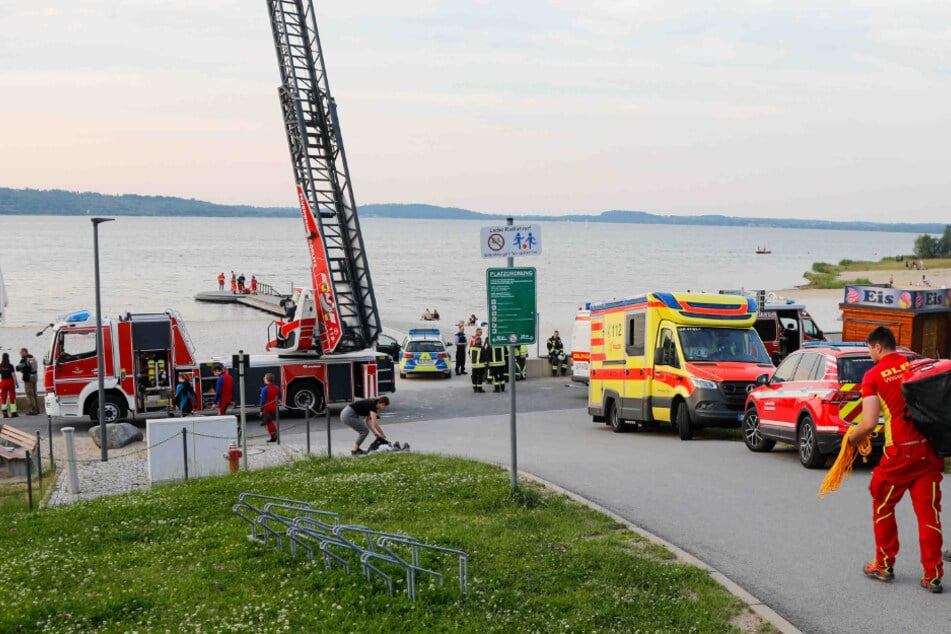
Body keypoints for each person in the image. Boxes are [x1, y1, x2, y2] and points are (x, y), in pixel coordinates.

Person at [849, 326, 944, 593]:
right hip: (927, 451)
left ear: (878, 347)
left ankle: (884, 564)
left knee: (882, 502)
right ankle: (933, 575)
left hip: (899, 453)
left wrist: (851, 439)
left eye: (869, 349)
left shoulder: (873, 376)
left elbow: (868, 423)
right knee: (929, 515)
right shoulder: (914, 365)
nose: (869, 354)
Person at [259, 372, 282, 443]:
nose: (264, 379)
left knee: (269, 423)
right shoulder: (277, 388)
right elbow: (280, 395)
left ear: (267, 379)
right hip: (274, 407)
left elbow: (263, 401)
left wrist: (261, 410)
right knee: (270, 422)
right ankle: (274, 435)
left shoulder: (264, 389)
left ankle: (273, 436)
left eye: (265, 378)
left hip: (266, 408)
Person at [16, 348, 39, 415]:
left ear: (25, 352)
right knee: (34, 394)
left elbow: (18, 368)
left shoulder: (24, 359)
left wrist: (20, 369)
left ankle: (32, 410)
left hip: (28, 378)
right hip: (34, 377)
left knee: (29, 394)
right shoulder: (32, 357)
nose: (20, 354)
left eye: (21, 352)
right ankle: (37, 409)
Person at [0, 352, 18, 418]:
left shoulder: (0, 365)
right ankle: (13, 413)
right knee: (12, 397)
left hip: (3, 382)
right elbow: (13, 375)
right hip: (10, 381)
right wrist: (16, 382)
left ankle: (5, 413)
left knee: (3, 397)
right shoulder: (10, 366)